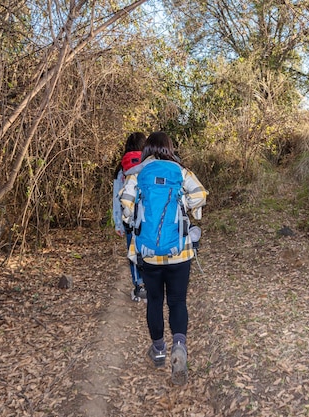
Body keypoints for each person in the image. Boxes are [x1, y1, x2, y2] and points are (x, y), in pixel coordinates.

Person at [119, 131, 208, 385]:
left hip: (149, 254)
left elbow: (126, 203)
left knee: (155, 301)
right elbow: (200, 194)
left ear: (147, 150)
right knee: (178, 301)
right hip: (179, 251)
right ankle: (179, 346)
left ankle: (158, 349)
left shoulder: (137, 174)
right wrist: (186, 205)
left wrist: (132, 219)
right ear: (169, 148)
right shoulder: (181, 172)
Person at [112, 132, 147, 302]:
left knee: (132, 250)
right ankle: (150, 284)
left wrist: (118, 223)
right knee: (147, 249)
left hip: (128, 218)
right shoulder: (148, 164)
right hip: (147, 217)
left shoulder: (121, 169)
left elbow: (116, 198)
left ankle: (138, 286)